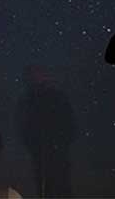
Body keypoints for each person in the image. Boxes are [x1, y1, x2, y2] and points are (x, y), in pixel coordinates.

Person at [16, 66, 75, 198]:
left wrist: (58, 142)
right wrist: (32, 143)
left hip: (57, 152)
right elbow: (24, 126)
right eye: (31, 76)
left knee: (61, 186)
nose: (33, 79)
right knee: (45, 187)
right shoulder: (28, 100)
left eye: (36, 75)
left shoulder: (57, 97)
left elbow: (70, 125)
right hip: (40, 153)